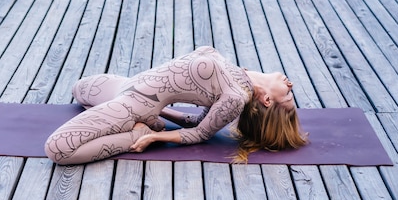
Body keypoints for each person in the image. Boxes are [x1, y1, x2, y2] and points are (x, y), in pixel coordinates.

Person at [44, 46, 307, 165]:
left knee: (58, 150)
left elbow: (201, 133)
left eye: (289, 95)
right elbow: (194, 121)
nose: (291, 84)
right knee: (79, 89)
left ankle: (137, 132)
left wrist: (154, 136)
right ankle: (147, 121)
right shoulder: (234, 72)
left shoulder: (235, 97)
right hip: (128, 85)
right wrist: (165, 113)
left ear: (268, 101)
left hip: (134, 105)